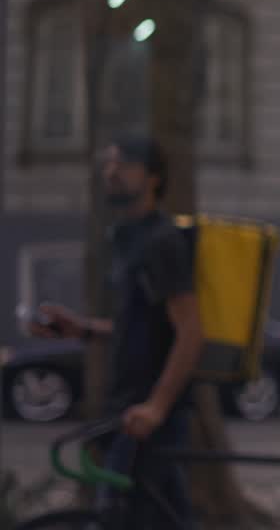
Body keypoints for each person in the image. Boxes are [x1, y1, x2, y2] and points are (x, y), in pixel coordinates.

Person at [30, 136, 202, 528]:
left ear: (154, 177)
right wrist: (84, 329)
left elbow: (190, 332)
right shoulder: (126, 238)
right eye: (108, 164)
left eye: (124, 165)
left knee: (130, 517)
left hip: (150, 417)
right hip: (126, 409)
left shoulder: (162, 241)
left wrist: (156, 407)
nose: (111, 172)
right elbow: (140, 326)